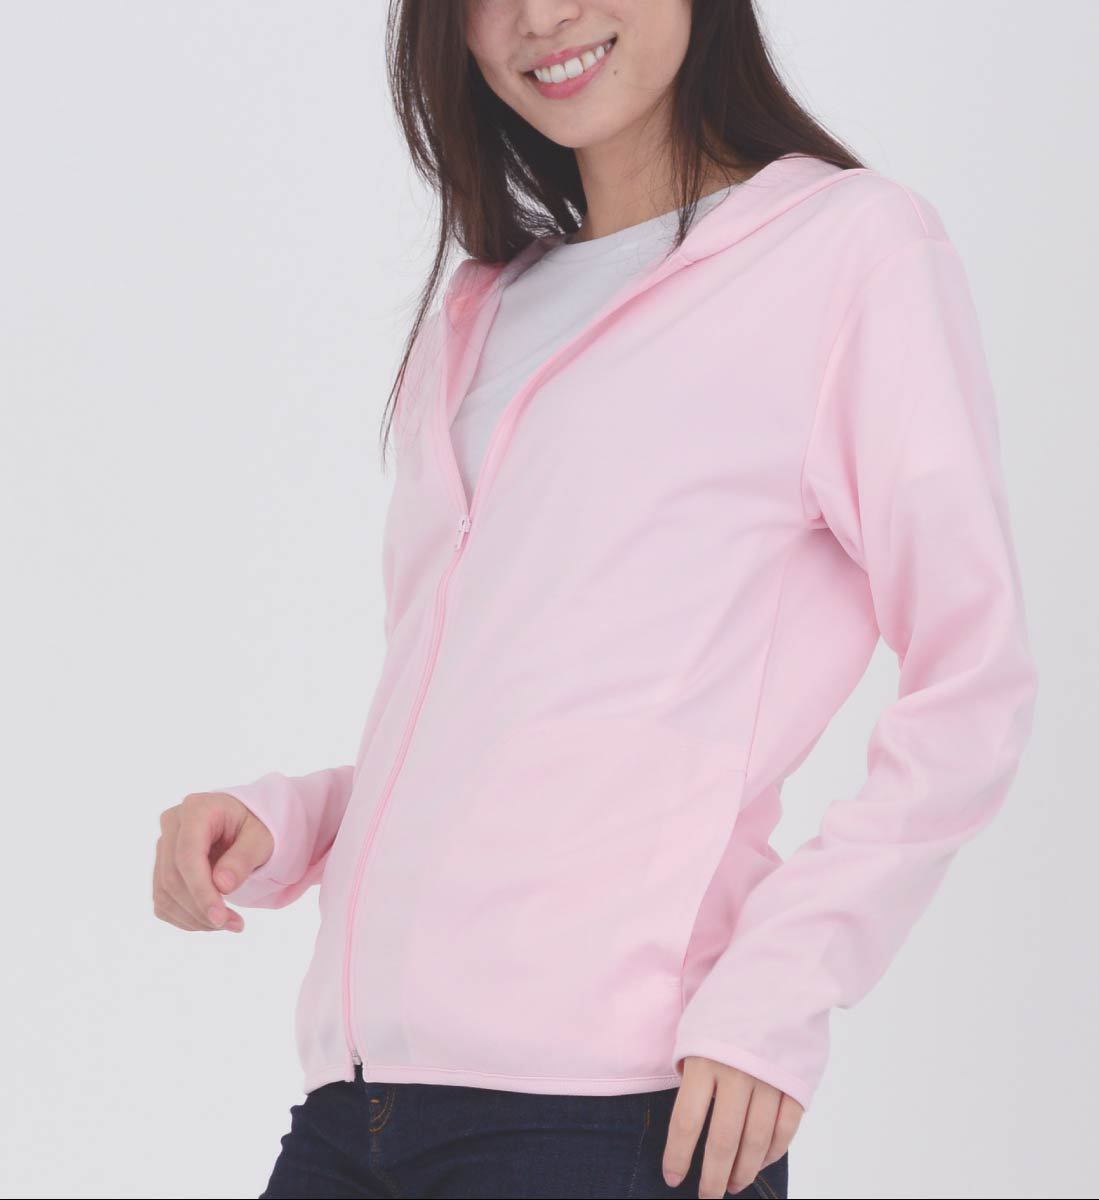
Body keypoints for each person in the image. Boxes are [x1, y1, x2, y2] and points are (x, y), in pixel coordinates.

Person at [151, 2, 1039, 1197]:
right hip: (357, 1113)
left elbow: (976, 683)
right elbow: (504, 727)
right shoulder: (480, 311)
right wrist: (291, 823)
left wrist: (782, 983)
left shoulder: (847, 250)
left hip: (611, 1118)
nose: (541, 16)